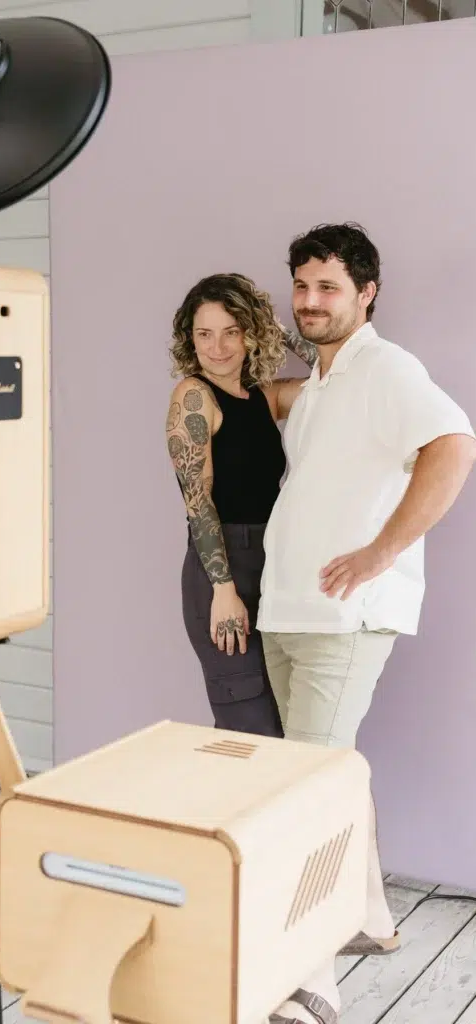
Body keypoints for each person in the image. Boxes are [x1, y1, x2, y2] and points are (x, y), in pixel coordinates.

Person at [257, 223, 476, 1024]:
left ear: (365, 294)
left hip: (339, 619)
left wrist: (382, 551)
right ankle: (372, 919)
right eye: (301, 286)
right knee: (330, 775)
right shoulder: (316, 382)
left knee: (304, 791)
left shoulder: (386, 368)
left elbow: (453, 444)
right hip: (288, 610)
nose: (309, 302)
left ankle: (311, 977)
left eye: (327, 288)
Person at [165, 273, 316, 738]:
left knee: (289, 724)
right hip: (223, 567)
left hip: (275, 565)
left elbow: (331, 378)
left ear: (250, 333)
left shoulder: (264, 395)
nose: (217, 347)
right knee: (250, 728)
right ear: (190, 340)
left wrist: (275, 326)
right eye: (204, 334)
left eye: (232, 331)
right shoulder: (194, 396)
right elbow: (198, 502)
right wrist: (224, 591)